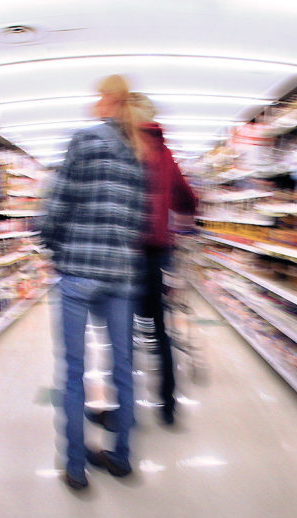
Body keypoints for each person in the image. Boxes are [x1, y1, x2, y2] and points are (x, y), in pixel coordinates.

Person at [42, 74, 146, 491]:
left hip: (79, 271)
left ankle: (75, 467)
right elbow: (138, 220)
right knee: (123, 366)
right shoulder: (137, 152)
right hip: (121, 274)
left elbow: (58, 201)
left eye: (99, 95)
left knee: (73, 369)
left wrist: (52, 244)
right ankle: (121, 457)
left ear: (109, 99)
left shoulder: (83, 140)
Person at [128, 92, 198, 425]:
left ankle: (125, 408)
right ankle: (168, 405)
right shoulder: (165, 152)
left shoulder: (123, 148)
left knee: (121, 330)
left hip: (125, 254)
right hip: (157, 254)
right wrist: (184, 222)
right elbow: (188, 198)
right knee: (159, 331)